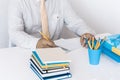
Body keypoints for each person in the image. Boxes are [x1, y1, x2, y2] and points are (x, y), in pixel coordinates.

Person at [8, 0, 95, 49]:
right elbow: (14, 32)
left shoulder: (61, 2)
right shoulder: (17, 2)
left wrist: (85, 32)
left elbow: (76, 22)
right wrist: (36, 43)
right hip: (25, 49)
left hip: (53, 49)